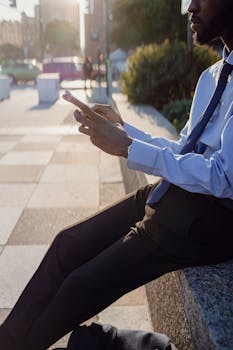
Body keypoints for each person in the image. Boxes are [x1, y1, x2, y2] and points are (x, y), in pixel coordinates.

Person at [0, 0, 233, 349]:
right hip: (178, 192)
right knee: (67, 243)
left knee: (79, 286)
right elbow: (185, 149)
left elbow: (223, 179)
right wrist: (125, 131)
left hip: (210, 219)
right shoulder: (212, 76)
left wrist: (127, 148)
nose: (190, 7)